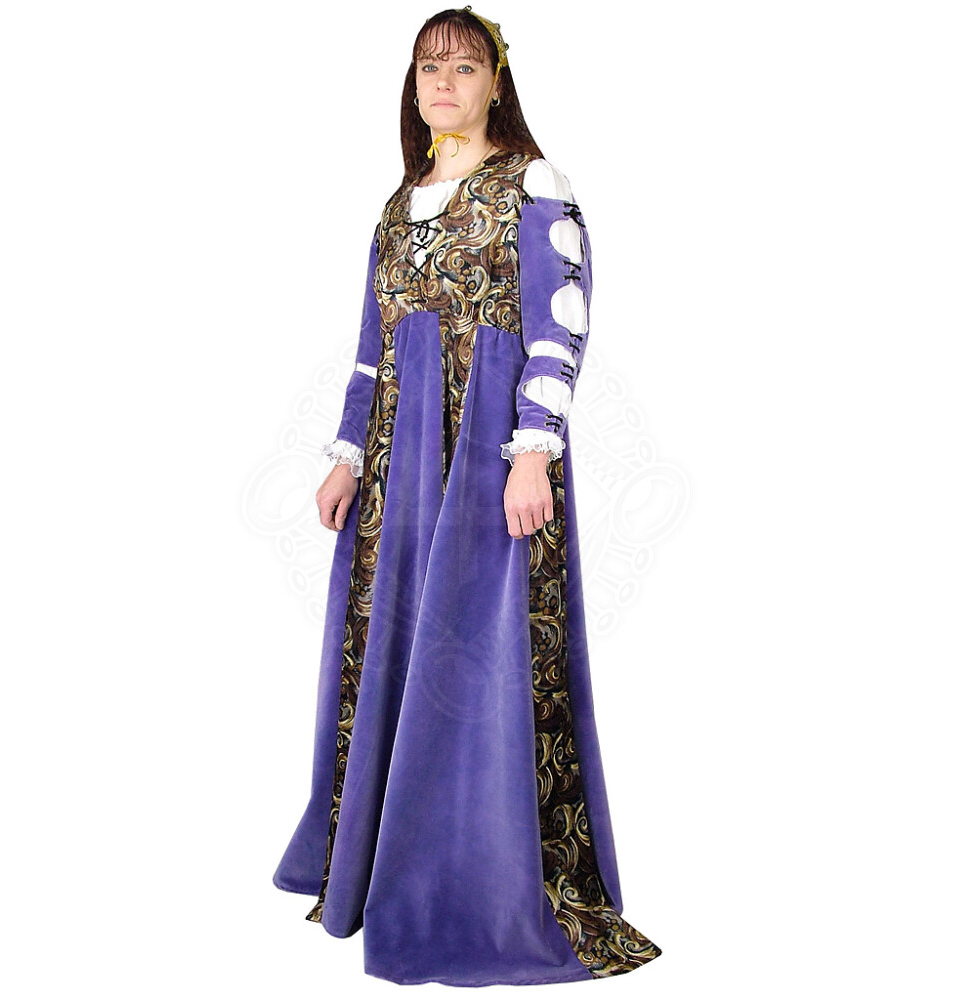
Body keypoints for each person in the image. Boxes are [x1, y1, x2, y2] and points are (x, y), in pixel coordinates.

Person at [272, 6, 662, 987]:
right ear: (412, 87)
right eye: (428, 68)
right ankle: (378, 856)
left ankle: (480, 881)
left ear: (496, 81)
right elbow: (372, 350)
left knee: (480, 658)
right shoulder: (397, 205)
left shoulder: (532, 186)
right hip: (396, 469)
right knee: (396, 641)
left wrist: (531, 453)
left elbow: (558, 328)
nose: (443, 83)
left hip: (487, 454)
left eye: (464, 67)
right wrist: (347, 455)